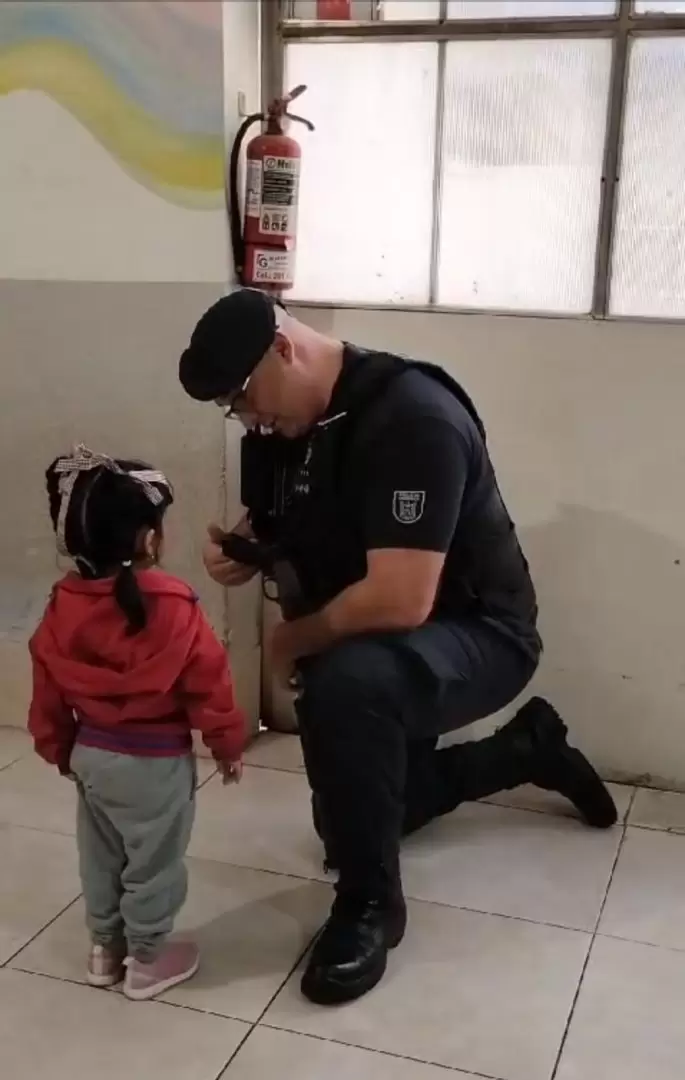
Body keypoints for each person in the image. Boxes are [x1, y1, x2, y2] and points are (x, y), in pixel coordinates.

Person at [179, 288, 617, 1007]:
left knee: (346, 688)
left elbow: (399, 598)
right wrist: (238, 550)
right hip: (386, 642)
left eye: (246, 399)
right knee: (356, 817)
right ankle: (524, 750)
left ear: (284, 350)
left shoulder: (412, 418)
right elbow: (276, 516)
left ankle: (369, 908)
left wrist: (290, 640)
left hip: (479, 632)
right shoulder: (284, 426)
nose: (247, 419)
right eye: (233, 410)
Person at [28, 446, 246, 1000]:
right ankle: (148, 959)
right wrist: (226, 744)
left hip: (92, 757)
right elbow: (209, 681)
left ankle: (105, 949)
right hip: (156, 764)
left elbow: (47, 680)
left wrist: (57, 748)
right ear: (151, 540)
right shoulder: (175, 603)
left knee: (100, 854)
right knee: (154, 860)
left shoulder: (63, 602)